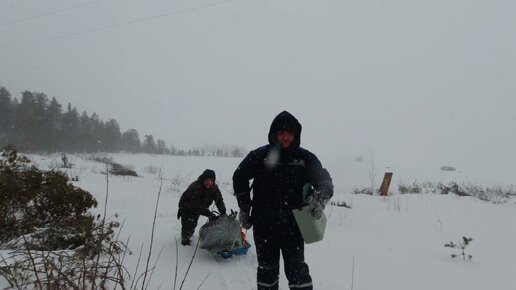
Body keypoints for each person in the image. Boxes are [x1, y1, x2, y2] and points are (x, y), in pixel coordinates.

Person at [233, 111, 334, 290]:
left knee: (297, 271)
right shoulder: (261, 155)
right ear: (274, 134)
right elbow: (239, 176)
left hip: (294, 227)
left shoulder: (305, 159)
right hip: (264, 227)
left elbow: (324, 180)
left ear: (296, 135)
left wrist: (320, 198)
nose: (285, 137)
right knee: (267, 271)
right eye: (281, 133)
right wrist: (244, 207)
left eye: (289, 133)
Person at [177, 169, 226, 246]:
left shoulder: (214, 188)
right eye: (207, 180)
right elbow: (196, 206)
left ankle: (189, 235)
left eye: (211, 181)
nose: (209, 183)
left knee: (193, 223)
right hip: (187, 207)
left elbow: (219, 199)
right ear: (203, 179)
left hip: (199, 207)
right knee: (189, 224)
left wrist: (223, 212)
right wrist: (209, 214)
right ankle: (185, 242)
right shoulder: (195, 188)